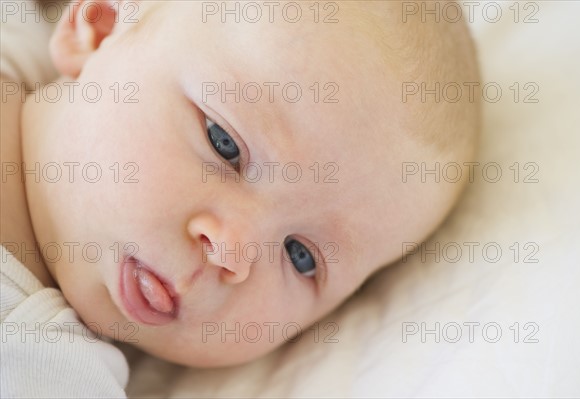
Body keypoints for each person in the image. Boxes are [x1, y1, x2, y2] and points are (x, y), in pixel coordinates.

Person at [1, 0, 480, 396]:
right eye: (223, 143)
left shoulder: (47, 372)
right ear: (100, 29)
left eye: (301, 257)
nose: (233, 253)